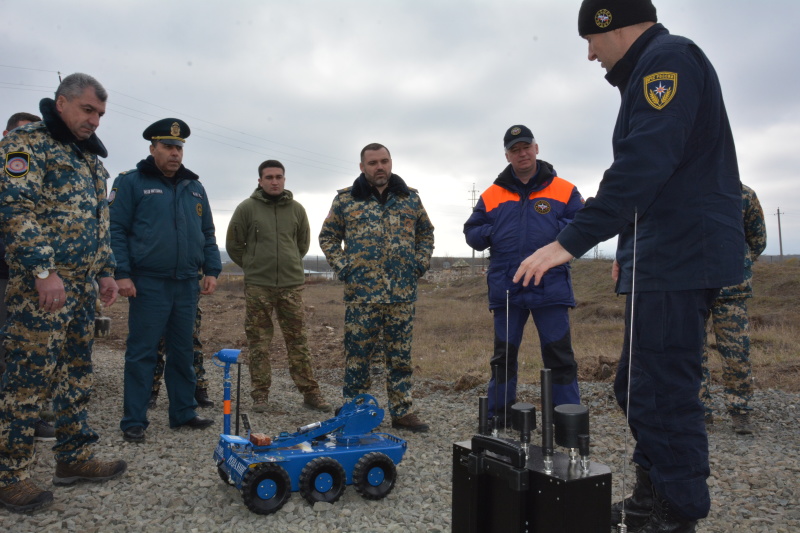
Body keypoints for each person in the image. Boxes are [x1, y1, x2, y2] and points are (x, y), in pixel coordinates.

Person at [513, 2, 745, 531]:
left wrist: (568, 241)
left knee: (659, 390)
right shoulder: (650, 70)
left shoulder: (668, 62)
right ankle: (656, 496)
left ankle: (672, 511)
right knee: (640, 386)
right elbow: (657, 184)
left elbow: (643, 165)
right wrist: (627, 256)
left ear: (611, 25)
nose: (591, 55)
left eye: (591, 42)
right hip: (662, 257)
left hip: (680, 259)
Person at [0, 73, 127, 513]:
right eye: (88, 110)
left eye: (100, 114)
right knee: (27, 379)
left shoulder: (90, 158)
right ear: (61, 103)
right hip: (43, 288)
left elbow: (98, 221)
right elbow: (14, 208)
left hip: (80, 287)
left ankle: (73, 458)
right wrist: (42, 269)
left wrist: (107, 271)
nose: (95, 120)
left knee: (76, 375)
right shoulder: (27, 144)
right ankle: (8, 475)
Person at [110, 118, 221, 444]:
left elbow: (208, 233)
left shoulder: (195, 187)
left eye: (179, 147)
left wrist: (212, 270)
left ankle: (183, 412)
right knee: (142, 353)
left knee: (183, 351)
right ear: (153, 148)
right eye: (168, 147)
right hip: (148, 283)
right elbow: (115, 230)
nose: (175, 153)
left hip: (186, 283)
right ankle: (134, 420)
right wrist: (122, 273)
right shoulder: (131, 182)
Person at [464, 125, 584, 422]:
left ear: (536, 148)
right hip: (508, 286)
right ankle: (499, 416)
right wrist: (496, 231)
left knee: (559, 355)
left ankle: (566, 419)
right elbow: (472, 232)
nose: (522, 153)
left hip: (550, 284)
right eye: (515, 150)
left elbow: (582, 227)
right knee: (503, 356)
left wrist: (553, 234)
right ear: (507, 155)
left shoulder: (565, 189)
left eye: (526, 147)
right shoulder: (492, 194)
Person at [319, 143, 434, 433]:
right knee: (357, 358)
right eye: (372, 163)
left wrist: (418, 265)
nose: (379, 167)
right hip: (362, 295)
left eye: (384, 161)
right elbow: (328, 237)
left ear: (391, 163)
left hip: (401, 295)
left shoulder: (409, 199)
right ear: (362, 167)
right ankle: (355, 412)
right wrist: (346, 269)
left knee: (400, 356)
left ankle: (402, 411)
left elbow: (426, 233)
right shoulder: (346, 200)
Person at [226, 160, 331, 413]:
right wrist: (252, 265)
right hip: (259, 286)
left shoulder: (296, 209)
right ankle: (260, 396)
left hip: (290, 286)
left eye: (279, 177)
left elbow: (302, 244)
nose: (275, 181)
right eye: (269, 177)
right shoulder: (246, 209)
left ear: (285, 179)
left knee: (298, 342)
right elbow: (234, 245)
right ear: (260, 181)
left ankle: (310, 394)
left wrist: (290, 262)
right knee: (259, 343)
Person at [1, 112, 56, 443]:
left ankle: (31, 414)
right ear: (7, 134)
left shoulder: (41, 169)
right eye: (22, 135)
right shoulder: (11, 163)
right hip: (7, 271)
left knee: (33, 350)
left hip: (33, 273)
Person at [700, 183, 766, 435]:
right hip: (695, 286)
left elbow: (757, 239)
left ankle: (740, 412)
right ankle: (700, 412)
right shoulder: (690, 189)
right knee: (694, 353)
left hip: (732, 289)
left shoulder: (744, 195)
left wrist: (739, 261)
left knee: (737, 354)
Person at [149, 300, 214, 409]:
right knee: (155, 344)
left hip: (187, 295)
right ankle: (150, 390)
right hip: (158, 292)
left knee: (190, 345)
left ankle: (197, 388)